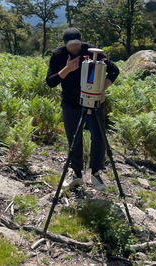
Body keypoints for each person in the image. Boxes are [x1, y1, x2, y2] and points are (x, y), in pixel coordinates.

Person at [45, 27, 120, 191]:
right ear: (64, 43)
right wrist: (67, 69)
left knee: (99, 137)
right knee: (74, 139)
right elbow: (50, 82)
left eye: (77, 44)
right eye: (71, 45)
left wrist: (101, 90)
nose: (75, 48)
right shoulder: (58, 55)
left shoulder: (92, 52)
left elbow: (114, 70)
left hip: (93, 102)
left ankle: (95, 173)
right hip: (71, 104)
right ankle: (77, 174)